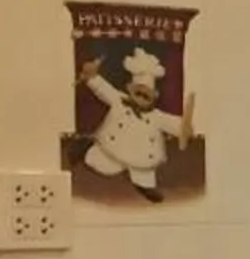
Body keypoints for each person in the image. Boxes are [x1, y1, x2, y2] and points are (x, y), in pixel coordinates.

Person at [81, 46, 189, 194]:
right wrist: (92, 77)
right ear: (130, 89)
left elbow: (171, 123)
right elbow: (104, 90)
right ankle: (83, 150)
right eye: (138, 93)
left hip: (142, 153)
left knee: (144, 173)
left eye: (146, 96)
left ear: (155, 96)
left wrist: (184, 127)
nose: (141, 99)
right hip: (115, 145)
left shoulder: (156, 116)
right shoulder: (120, 100)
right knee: (99, 161)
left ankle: (145, 187)